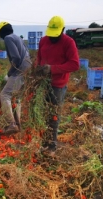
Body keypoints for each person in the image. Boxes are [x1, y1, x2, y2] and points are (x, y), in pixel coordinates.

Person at [35, 16, 80, 156]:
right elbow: (39, 58)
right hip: (42, 84)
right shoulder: (43, 40)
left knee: (53, 115)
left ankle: (52, 145)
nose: (52, 38)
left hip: (57, 85)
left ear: (63, 30)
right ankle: (42, 141)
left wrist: (52, 69)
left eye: (56, 35)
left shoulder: (68, 42)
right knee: (41, 114)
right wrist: (37, 71)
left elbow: (74, 64)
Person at [0, 21, 32, 135]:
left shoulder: (8, 38)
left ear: (1, 32)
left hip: (20, 71)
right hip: (27, 70)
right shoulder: (18, 37)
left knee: (5, 94)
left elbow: (16, 58)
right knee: (17, 97)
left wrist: (9, 73)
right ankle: (18, 124)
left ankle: (11, 124)